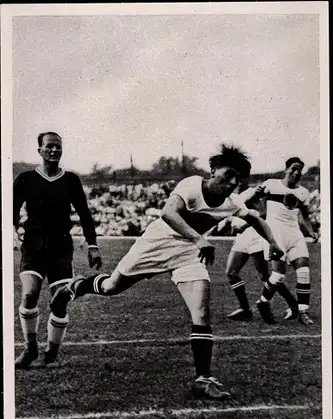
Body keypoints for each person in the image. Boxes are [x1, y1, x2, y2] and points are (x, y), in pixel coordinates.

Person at [51, 144, 283, 400]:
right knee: (111, 288)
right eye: (228, 174)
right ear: (213, 169)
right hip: (157, 243)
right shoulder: (192, 185)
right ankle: (77, 286)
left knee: (202, 311)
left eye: (237, 180)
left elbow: (257, 219)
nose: (232, 183)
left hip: (188, 253)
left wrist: (273, 242)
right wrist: (199, 239)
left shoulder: (232, 203)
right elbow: (168, 213)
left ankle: (203, 379)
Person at [14, 132, 102, 369]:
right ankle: (30, 349)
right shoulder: (26, 178)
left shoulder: (71, 180)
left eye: (58, 147)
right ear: (40, 150)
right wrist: (12, 233)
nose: (54, 151)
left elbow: (84, 213)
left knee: (59, 302)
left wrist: (92, 245)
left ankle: (51, 352)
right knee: (29, 295)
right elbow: (11, 209)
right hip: (33, 245)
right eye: (49, 146)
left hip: (61, 247)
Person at [248, 157, 317, 325]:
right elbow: (251, 200)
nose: (296, 172)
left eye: (299, 170)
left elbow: (305, 216)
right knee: (278, 276)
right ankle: (263, 302)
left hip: (295, 234)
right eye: (293, 168)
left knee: (304, 272)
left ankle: (303, 312)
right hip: (275, 235)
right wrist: (262, 212)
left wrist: (311, 231)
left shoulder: (303, 192)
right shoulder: (271, 184)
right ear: (286, 169)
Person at [224, 183, 298, 321]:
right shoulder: (233, 195)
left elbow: (263, 214)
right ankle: (245, 309)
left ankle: (293, 304)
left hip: (256, 235)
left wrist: (244, 224)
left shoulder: (251, 192)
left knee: (264, 276)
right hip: (242, 238)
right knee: (231, 273)